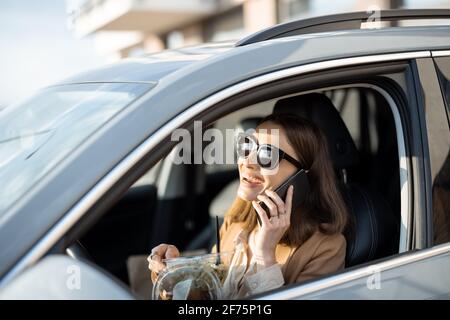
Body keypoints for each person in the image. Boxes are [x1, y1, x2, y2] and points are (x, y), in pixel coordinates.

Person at [148, 113, 348, 299]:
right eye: (247, 146)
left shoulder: (326, 248)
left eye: (267, 155)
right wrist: (175, 274)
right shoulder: (238, 217)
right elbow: (212, 292)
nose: (248, 162)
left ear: (301, 177)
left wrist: (265, 256)